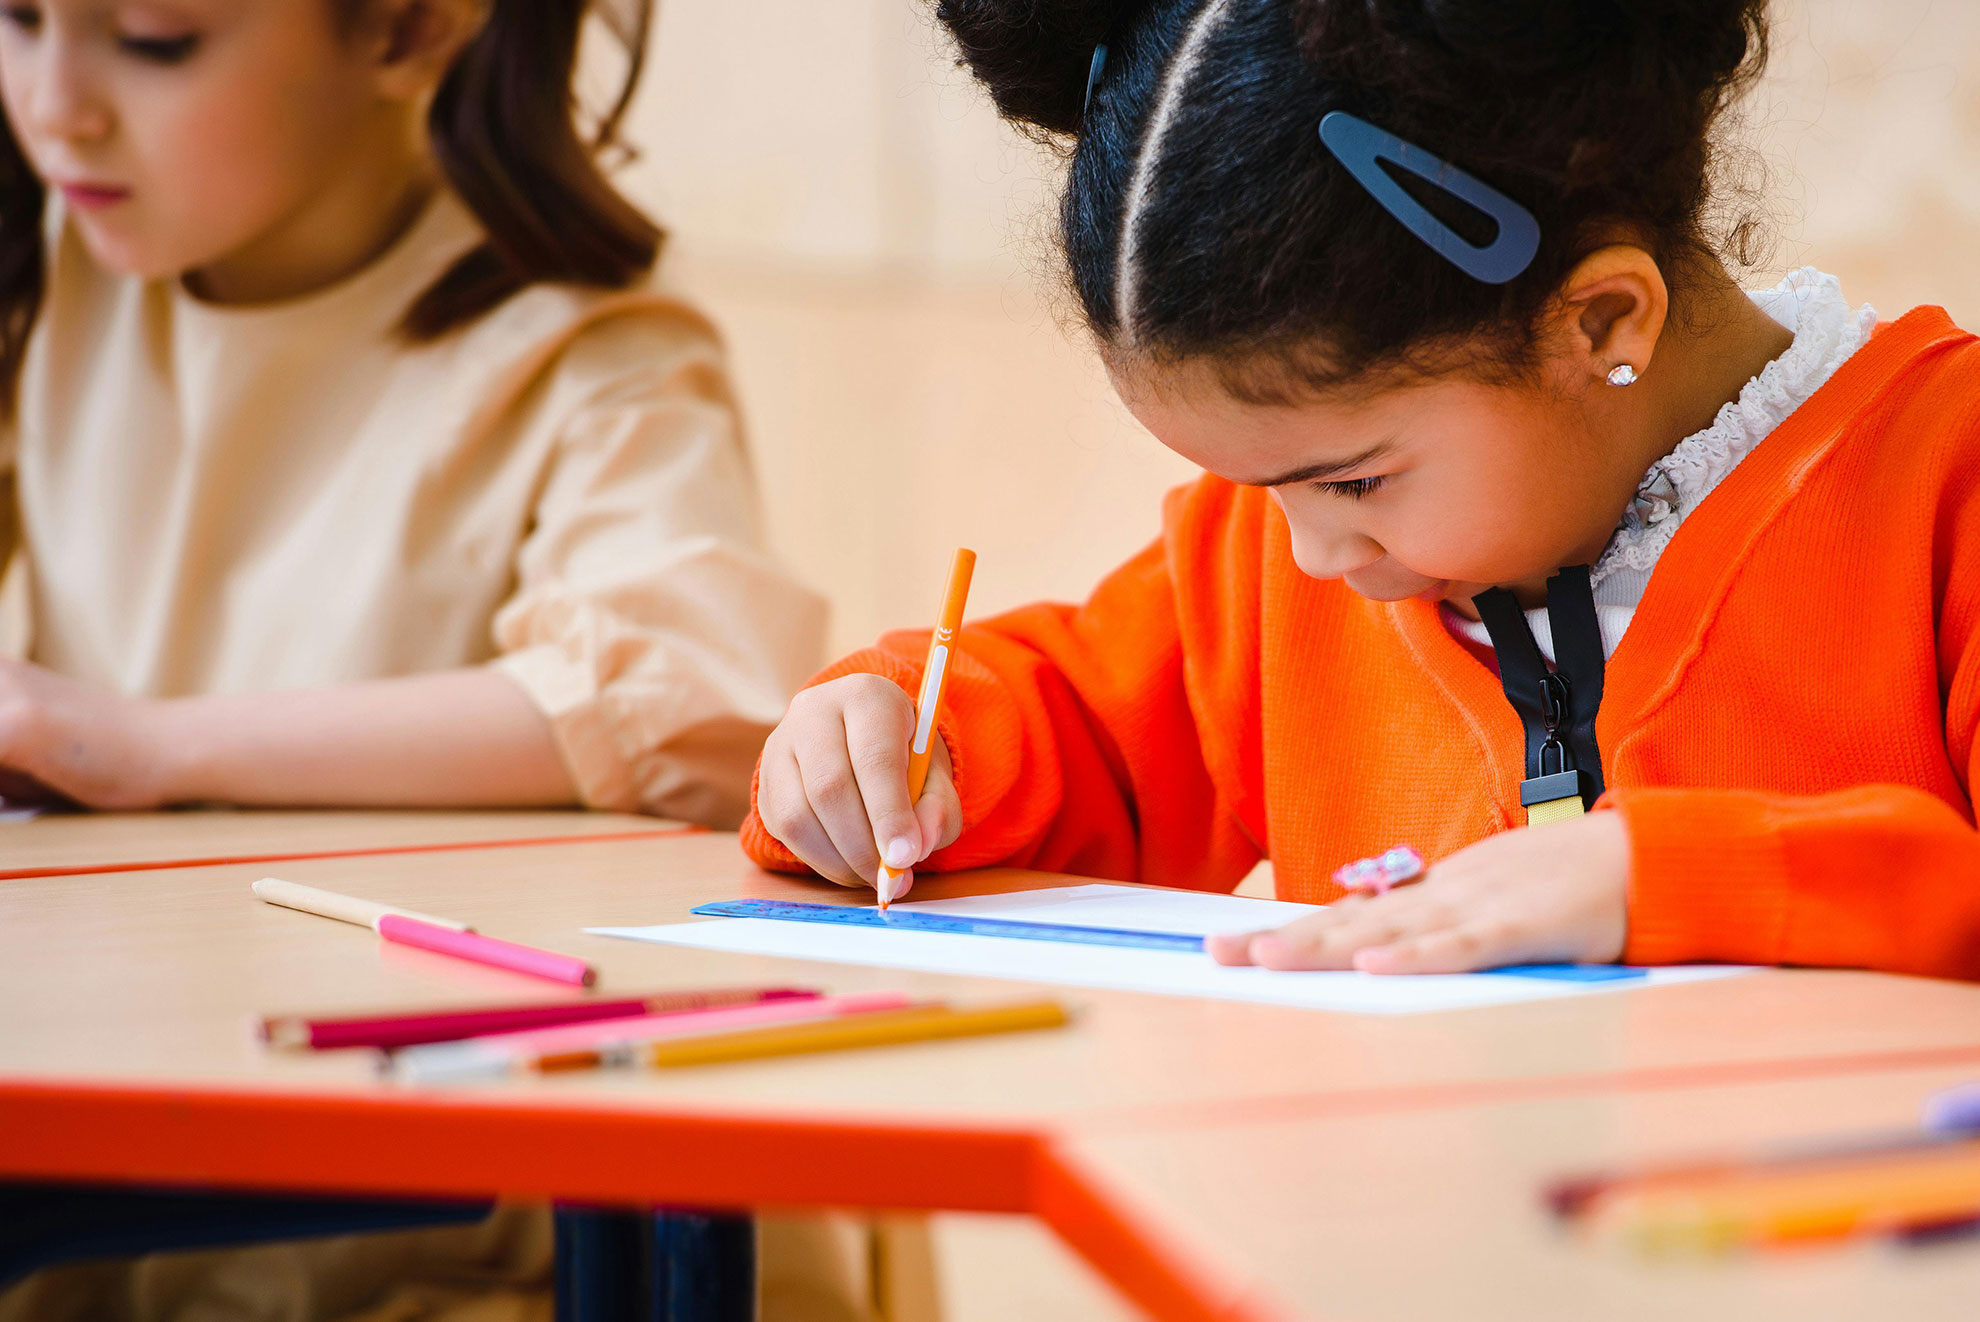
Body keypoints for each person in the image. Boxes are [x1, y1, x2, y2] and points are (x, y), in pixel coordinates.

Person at [745, 0, 1980, 981]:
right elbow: (1086, 728)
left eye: (1351, 477)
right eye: (1260, 487)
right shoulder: (1283, 560)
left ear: (1601, 320)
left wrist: (1663, 878)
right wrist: (896, 734)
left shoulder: (1944, 480)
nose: (1310, 554)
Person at [0, 0, 824, 826]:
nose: (53, 109)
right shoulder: (42, 252)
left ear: (410, 28)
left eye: (155, 43)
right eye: (19, 18)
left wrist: (149, 749)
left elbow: (688, 701)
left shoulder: (589, 351)